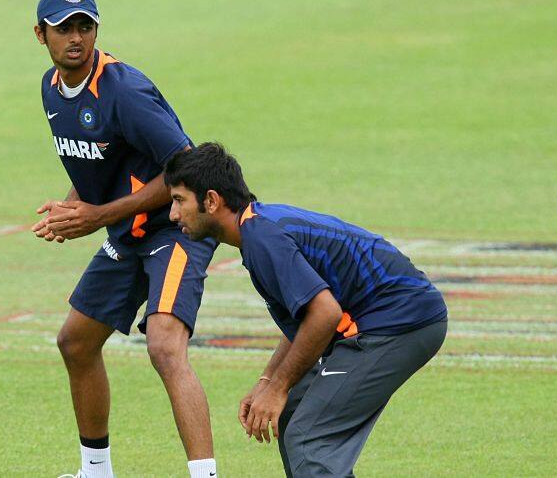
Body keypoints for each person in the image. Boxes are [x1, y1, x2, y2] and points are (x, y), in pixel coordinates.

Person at [164, 142, 448, 477]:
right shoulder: (258, 230)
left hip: (401, 321)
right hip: (395, 318)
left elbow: (325, 313)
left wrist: (277, 388)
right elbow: (306, 319)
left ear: (211, 201)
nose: (173, 214)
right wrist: (268, 381)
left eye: (179, 200)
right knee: (294, 412)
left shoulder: (263, 239)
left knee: (309, 437)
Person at [31, 0, 219, 478]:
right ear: (40, 35)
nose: (76, 37)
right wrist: (72, 207)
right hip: (127, 233)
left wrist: (98, 216)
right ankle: (96, 472)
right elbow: (95, 160)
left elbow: (184, 166)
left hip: (176, 228)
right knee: (76, 342)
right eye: (63, 28)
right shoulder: (51, 88)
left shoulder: (124, 91)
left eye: (85, 27)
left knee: (164, 346)